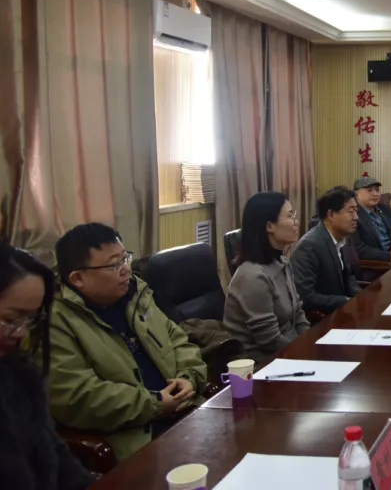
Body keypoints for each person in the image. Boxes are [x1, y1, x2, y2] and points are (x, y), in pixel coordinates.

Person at [48, 223, 207, 460]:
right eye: (114, 265)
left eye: (125, 258)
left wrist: (189, 377)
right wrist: (155, 404)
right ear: (78, 278)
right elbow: (78, 397)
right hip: (138, 437)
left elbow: (178, 340)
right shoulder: (56, 321)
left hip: (188, 413)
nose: (126, 270)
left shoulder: (134, 294)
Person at [0, 242, 93, 490]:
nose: (21, 333)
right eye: (10, 319)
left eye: (29, 320)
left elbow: (53, 450)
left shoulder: (20, 372)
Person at [224, 192, 310, 363]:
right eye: (290, 215)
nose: (296, 221)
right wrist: (305, 354)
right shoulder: (253, 276)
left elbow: (298, 313)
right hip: (261, 362)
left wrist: (311, 342)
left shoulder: (282, 262)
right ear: (269, 226)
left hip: (291, 351)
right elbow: (269, 340)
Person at [291, 186, 364, 315]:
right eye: (350, 211)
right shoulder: (308, 246)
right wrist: (345, 301)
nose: (356, 217)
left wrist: (361, 297)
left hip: (346, 312)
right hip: (325, 317)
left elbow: (349, 277)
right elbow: (305, 297)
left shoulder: (344, 238)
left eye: (356, 211)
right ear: (331, 215)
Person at [353, 175, 391, 265]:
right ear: (356, 195)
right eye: (369, 190)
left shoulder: (384, 209)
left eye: (377, 190)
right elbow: (360, 250)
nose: (375, 194)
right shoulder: (354, 215)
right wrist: (390, 256)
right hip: (377, 263)